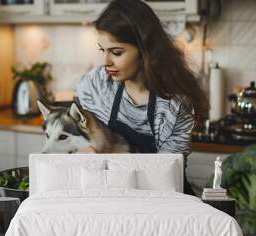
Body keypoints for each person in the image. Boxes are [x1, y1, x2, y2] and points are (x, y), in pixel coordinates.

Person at [74, 0, 208, 196]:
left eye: (116, 52)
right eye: (103, 50)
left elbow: (168, 174)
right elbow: (76, 130)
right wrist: (83, 150)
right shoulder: (95, 85)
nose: (106, 62)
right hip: (107, 195)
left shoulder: (174, 104)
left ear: (146, 50)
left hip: (161, 201)